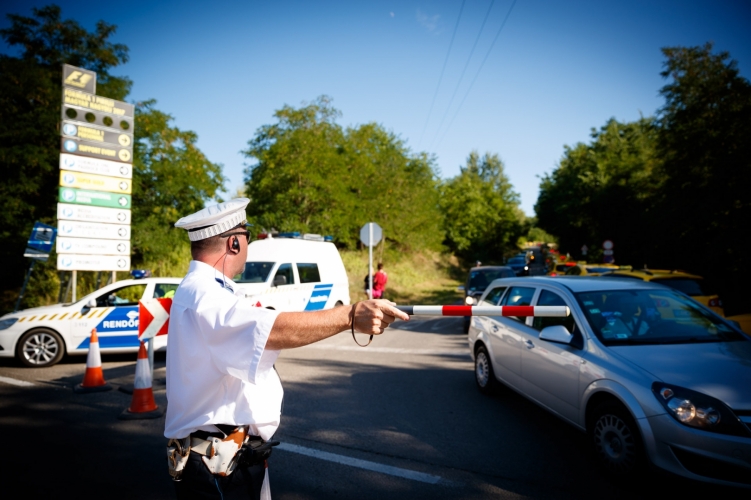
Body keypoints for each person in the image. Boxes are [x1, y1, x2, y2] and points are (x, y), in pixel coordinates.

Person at [164, 198, 408, 500]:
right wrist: (349, 315)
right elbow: (269, 331)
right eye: (247, 236)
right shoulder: (205, 292)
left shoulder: (206, 289)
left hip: (224, 457)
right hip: (217, 466)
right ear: (235, 243)